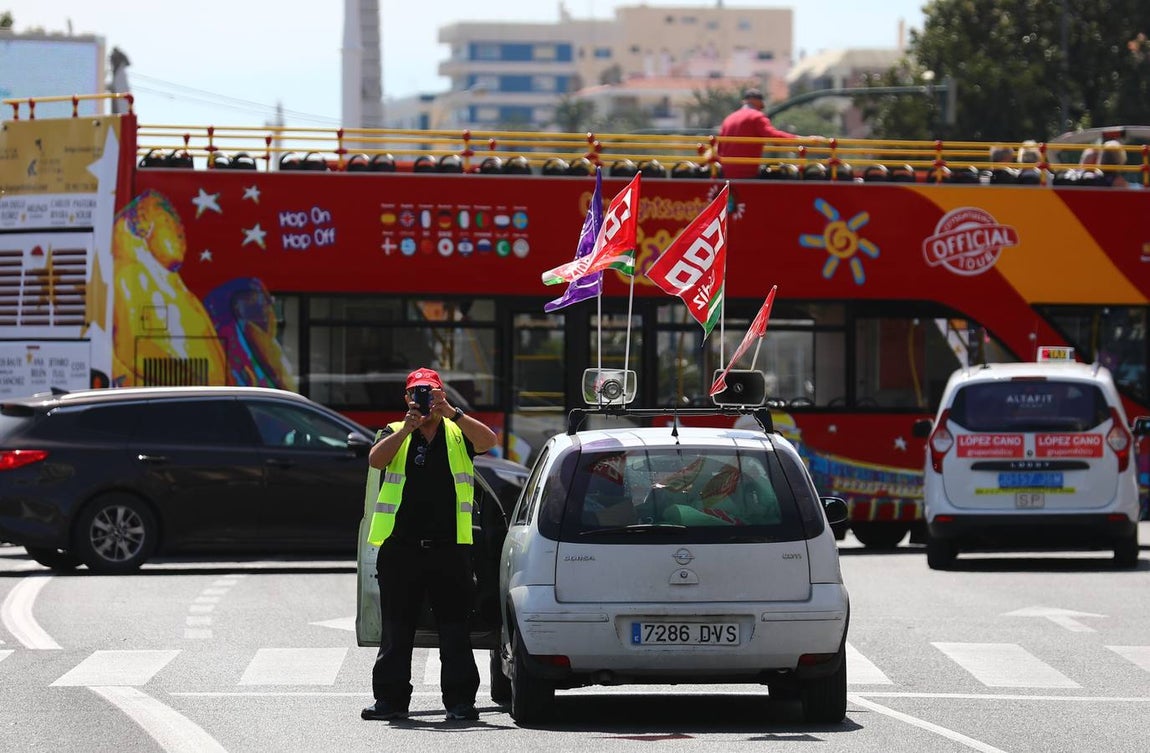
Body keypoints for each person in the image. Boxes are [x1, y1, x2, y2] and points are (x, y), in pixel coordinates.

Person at [361, 367, 498, 723]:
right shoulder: (394, 431)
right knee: (397, 627)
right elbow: (375, 460)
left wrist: (453, 412)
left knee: (454, 629)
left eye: (430, 392)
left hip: (449, 549)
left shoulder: (457, 431)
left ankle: (460, 702)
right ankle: (390, 700)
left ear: (441, 394)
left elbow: (488, 442)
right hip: (401, 548)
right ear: (406, 399)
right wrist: (407, 428)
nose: (423, 399)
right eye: (417, 393)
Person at [717, 88, 821, 179]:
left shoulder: (729, 118)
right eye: (761, 106)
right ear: (756, 101)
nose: (761, 108)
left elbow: (719, 147)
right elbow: (773, 135)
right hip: (746, 174)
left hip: (726, 173)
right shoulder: (756, 116)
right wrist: (803, 140)